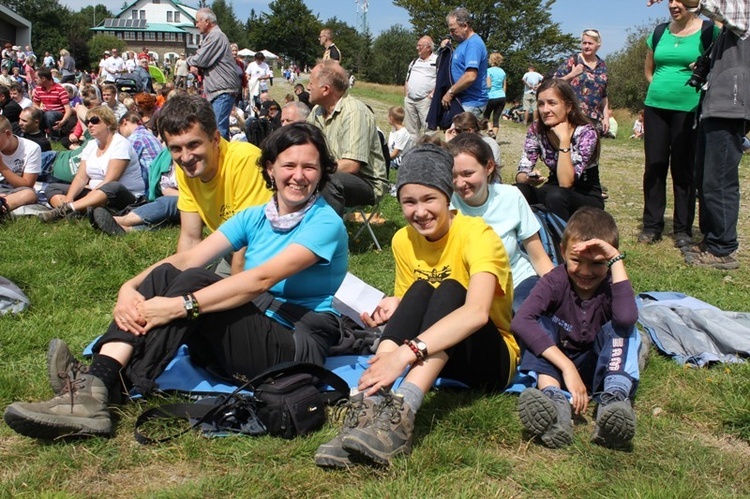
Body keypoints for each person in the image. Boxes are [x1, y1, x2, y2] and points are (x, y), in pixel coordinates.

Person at [4, 123, 349, 440]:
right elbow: (187, 257)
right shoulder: (257, 215)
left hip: (293, 345)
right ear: (271, 168)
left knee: (196, 282)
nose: (299, 176)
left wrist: (179, 306)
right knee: (170, 274)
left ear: (321, 173)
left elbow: (259, 279)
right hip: (253, 327)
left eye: (310, 167)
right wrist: (130, 286)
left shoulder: (325, 223)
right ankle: (98, 383)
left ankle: (103, 386)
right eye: (289, 165)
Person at [314, 144, 516, 468]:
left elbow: (477, 312)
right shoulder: (402, 240)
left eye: (429, 199)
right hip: (438, 356)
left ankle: (401, 416)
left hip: (490, 358)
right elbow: (415, 299)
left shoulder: (478, 235)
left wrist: (403, 356)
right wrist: (394, 306)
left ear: (447, 197)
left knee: (450, 288)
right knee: (422, 288)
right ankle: (369, 405)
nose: (419, 211)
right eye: (409, 202)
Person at [513, 207, 640, 450]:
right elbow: (521, 320)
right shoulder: (554, 280)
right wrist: (567, 366)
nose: (585, 271)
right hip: (558, 364)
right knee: (538, 326)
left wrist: (615, 260)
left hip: (598, 365)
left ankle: (614, 403)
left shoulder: (611, 285)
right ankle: (554, 404)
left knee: (625, 332)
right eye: (577, 260)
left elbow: (626, 319)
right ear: (562, 251)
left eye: (597, 263)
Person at [645, 0, 749, 270]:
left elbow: (708, 5)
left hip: (730, 107)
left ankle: (722, 249)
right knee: (707, 179)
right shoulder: (724, 30)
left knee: (719, 181)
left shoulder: (744, 11)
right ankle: (711, 242)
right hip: (714, 106)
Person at [639, 2, 719, 247]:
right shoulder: (659, 32)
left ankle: (682, 229)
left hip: (689, 109)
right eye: (670, 0)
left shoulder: (709, 30)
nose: (674, 5)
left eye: (680, 0)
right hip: (655, 107)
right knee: (654, 166)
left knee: (683, 169)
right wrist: (659, 88)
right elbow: (649, 70)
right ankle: (652, 226)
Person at [449, 133, 554, 311]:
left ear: (489, 167)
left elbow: (538, 256)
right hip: (469, 287)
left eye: (468, 174)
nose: (460, 183)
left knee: (525, 314)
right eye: (453, 175)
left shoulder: (510, 196)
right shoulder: (446, 204)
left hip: (516, 280)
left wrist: (560, 289)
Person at [515, 78, 604, 221]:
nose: (545, 110)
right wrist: (528, 178)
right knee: (516, 191)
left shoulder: (586, 133)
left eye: (552, 103)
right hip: (553, 189)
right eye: (541, 104)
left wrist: (564, 140)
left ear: (568, 106)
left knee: (556, 196)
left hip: (584, 195)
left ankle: (559, 241)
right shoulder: (537, 130)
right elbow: (522, 171)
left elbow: (566, 182)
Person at [306, 60, 388, 215]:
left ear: (325, 89)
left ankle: (329, 236)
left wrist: (312, 170)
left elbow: (351, 165)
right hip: (329, 173)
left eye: (311, 83)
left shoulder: (354, 112)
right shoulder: (316, 111)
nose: (308, 87)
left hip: (367, 182)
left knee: (329, 181)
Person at [38, 106, 145, 222]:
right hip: (95, 194)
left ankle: (65, 210)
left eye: (94, 121)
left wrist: (79, 200)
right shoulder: (91, 145)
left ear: (109, 123)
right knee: (53, 188)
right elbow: (80, 177)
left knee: (112, 186)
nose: (89, 125)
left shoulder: (120, 144)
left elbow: (109, 181)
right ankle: (80, 210)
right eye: (88, 122)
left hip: (122, 196)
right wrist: (70, 197)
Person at [187, 8, 241, 140]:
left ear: (207, 21)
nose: (196, 25)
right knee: (216, 129)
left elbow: (200, 59)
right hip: (219, 90)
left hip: (222, 90)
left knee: (217, 131)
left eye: (197, 21)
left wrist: (188, 61)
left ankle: (221, 159)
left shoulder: (216, 36)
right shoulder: (213, 36)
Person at [554, 29, 610, 135]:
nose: (587, 46)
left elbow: (604, 95)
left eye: (590, 43)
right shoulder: (573, 61)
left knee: (590, 149)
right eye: (584, 43)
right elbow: (553, 84)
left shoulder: (602, 65)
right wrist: (572, 74)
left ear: (598, 45)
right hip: (573, 117)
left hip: (594, 119)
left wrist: (606, 117)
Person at [441, 7, 488, 119]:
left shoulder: (474, 45)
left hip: (471, 103)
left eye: (453, 30)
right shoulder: (464, 43)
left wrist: (450, 93)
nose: (451, 33)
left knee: (463, 136)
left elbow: (470, 76)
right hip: (462, 101)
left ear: (465, 26)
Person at [0, 115, 42, 220]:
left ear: (8, 134)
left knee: (30, 194)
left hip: (15, 192)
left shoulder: (31, 148)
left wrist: (2, 166)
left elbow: (27, 184)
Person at [118, 113, 164, 192]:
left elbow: (124, 163)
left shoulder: (135, 138)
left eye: (120, 130)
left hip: (150, 182)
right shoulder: (149, 135)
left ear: (124, 122)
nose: (121, 134)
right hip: (159, 178)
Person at [404, 36, 437, 141]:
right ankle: (413, 152)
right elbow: (407, 79)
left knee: (429, 129)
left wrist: (432, 95)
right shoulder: (414, 61)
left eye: (420, 46)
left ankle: (430, 152)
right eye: (417, 45)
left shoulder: (437, 60)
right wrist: (406, 95)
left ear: (428, 48)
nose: (417, 48)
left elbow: (442, 80)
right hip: (410, 100)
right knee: (411, 130)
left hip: (425, 101)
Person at [484, 52, 507, 138]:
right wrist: (503, 95)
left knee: (485, 115)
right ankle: (493, 138)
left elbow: (489, 85)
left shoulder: (488, 71)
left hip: (491, 96)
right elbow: (504, 86)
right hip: (501, 96)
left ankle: (490, 130)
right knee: (496, 118)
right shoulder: (502, 71)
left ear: (491, 60)